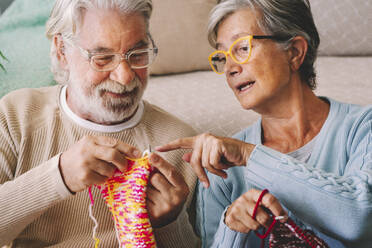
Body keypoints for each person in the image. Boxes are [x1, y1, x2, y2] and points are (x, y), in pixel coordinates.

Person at [157, 0, 372, 247]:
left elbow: (360, 216)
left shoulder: (363, 127)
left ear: (294, 52)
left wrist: (251, 155)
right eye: (222, 56)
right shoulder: (219, 166)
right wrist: (232, 228)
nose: (230, 68)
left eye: (241, 48)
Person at [0, 0, 200, 247]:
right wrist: (58, 177)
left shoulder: (181, 146)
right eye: (103, 58)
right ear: (62, 51)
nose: (125, 76)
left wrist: (169, 224)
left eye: (137, 55)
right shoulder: (15, 116)